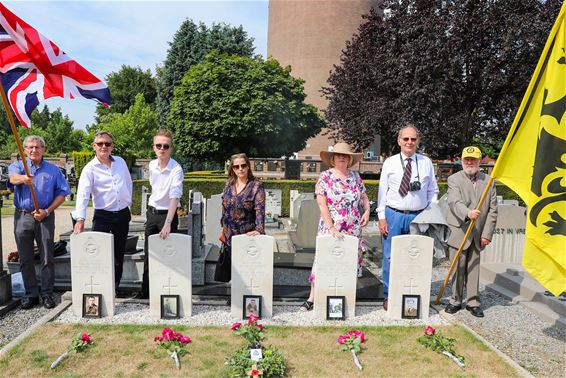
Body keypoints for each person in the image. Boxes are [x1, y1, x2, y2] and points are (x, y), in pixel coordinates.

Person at [299, 142, 370, 311]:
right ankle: (312, 299)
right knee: (323, 261)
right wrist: (331, 227)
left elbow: (364, 197)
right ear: (332, 158)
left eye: (345, 156)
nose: (342, 158)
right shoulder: (325, 177)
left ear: (350, 158)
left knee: (349, 263)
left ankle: (345, 298)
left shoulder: (355, 177)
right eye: (338, 155)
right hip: (331, 227)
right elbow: (322, 204)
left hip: (353, 228)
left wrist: (366, 211)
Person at [377, 125, 439, 311]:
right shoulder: (390, 162)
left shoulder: (426, 162)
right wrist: (381, 217)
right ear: (399, 141)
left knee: (417, 256)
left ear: (418, 141)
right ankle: (389, 295)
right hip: (394, 215)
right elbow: (382, 191)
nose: (409, 142)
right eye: (406, 139)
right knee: (390, 257)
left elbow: (433, 191)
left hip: (418, 217)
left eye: (413, 139)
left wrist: (430, 214)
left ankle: (415, 294)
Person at [8, 136, 71, 309]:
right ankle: (31, 294)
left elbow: (62, 194)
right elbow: (12, 178)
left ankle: (47, 294)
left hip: (45, 216)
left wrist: (47, 211)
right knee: (25, 258)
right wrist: (23, 179)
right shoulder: (19, 166)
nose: (33, 150)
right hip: (22, 216)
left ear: (43, 149)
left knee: (47, 257)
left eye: (37, 147)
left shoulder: (53, 170)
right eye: (30, 147)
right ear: (25, 150)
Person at [73, 131, 133, 291]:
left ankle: (114, 287)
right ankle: (99, 288)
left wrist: (129, 202)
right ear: (94, 146)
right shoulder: (89, 169)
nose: (104, 147)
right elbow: (83, 194)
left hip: (122, 214)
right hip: (103, 216)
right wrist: (80, 219)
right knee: (98, 254)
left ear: (112, 146)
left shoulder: (120, 162)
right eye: (100, 144)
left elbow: (128, 182)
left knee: (118, 255)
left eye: (107, 143)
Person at [445, 146, 497, 318]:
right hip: (459, 230)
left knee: (473, 268)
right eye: (467, 159)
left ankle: (473, 302)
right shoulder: (454, 180)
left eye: (473, 159)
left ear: (479, 161)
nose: (470, 162)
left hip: (477, 233)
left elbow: (493, 210)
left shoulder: (489, 181)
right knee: (457, 268)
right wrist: (467, 213)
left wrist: (487, 234)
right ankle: (455, 300)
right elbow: (454, 202)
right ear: (461, 160)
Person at [135, 129, 183, 299]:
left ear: (171, 148)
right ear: (153, 147)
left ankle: (167, 291)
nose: (162, 148)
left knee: (168, 255)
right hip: (152, 213)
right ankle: (146, 292)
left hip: (167, 216)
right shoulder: (152, 166)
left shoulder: (176, 169)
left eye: (165, 146)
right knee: (150, 254)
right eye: (158, 145)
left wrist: (168, 223)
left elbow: (175, 197)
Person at [219, 153, 266, 281]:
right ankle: (234, 297)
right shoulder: (229, 184)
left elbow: (260, 209)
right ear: (232, 169)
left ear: (248, 167)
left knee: (245, 271)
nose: (240, 169)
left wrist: (259, 230)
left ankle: (244, 297)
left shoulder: (256, 185)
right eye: (236, 166)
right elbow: (224, 206)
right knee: (231, 269)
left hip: (246, 234)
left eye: (243, 165)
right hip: (229, 234)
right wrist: (222, 226)